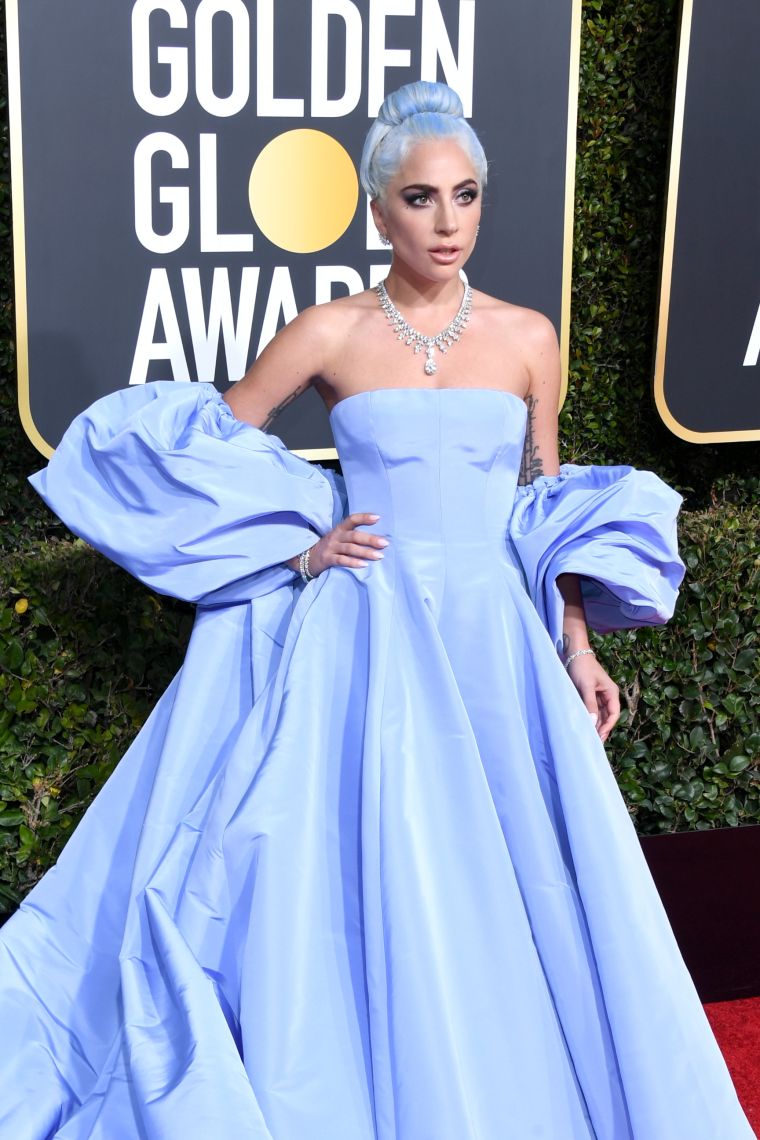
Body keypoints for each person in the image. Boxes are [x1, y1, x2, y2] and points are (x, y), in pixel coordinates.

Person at [0, 82, 753, 1139]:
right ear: (377, 209)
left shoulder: (529, 337)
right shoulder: (327, 331)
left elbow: (542, 505)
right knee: (364, 857)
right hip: (364, 629)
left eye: (465, 196)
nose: (446, 222)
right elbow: (207, 448)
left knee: (520, 873)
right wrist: (298, 544)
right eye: (419, 198)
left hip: (495, 636)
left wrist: (575, 643)